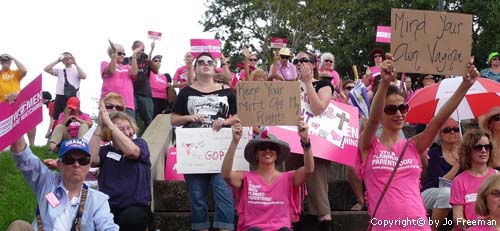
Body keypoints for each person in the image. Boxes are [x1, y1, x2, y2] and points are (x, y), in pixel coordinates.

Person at [357, 54, 479, 230]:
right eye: (390, 109)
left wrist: (465, 85)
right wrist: (384, 84)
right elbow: (374, 119)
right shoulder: (368, 145)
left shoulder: (413, 145)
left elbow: (439, 119)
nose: (398, 114)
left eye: (402, 108)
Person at [171, 52, 237, 231]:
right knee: (196, 194)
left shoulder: (227, 92)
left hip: (220, 147)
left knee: (223, 193)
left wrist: (225, 121)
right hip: (194, 149)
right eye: (201, 62)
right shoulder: (186, 92)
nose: (205, 65)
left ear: (215, 66)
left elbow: (240, 116)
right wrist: (188, 117)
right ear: (195, 68)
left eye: (209, 62)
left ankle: (225, 228)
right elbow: (173, 119)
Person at [221, 117, 313, 231]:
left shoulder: (288, 178)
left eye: (272, 147)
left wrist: (305, 141)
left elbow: (309, 170)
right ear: (256, 154)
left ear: (277, 154)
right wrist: (235, 141)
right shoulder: (245, 177)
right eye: (262, 147)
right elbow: (226, 174)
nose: (267, 150)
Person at [7, 137, 118, 230]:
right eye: (69, 160)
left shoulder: (98, 200)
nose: (76, 164)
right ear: (60, 164)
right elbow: (22, 155)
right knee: (19, 226)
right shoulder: (46, 181)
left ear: (89, 165)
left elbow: (108, 227)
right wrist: (15, 117)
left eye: (83, 160)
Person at [289, 51, 334, 230]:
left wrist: (308, 83)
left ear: (314, 65)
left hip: (317, 143)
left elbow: (318, 108)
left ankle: (325, 221)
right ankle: (293, 216)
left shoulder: (324, 84)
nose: (300, 63)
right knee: (293, 180)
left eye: (304, 60)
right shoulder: (289, 87)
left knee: (318, 185)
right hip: (292, 141)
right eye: (296, 61)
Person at [89, 108, 152, 231]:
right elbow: (90, 160)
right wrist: (101, 126)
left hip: (136, 208)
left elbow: (132, 152)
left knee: (129, 220)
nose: (127, 132)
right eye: (121, 129)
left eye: (128, 127)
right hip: (109, 207)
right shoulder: (105, 151)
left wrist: (112, 126)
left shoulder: (140, 144)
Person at [450, 129, 496, 231]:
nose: (484, 150)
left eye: (487, 147)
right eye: (478, 147)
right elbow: (457, 218)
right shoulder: (459, 181)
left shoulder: (497, 177)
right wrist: (477, 226)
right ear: (468, 150)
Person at [421, 118, 461, 231]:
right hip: (430, 192)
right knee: (447, 193)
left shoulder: (465, 152)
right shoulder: (433, 153)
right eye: (447, 130)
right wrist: (458, 165)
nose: (452, 132)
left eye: (455, 129)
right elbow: (442, 183)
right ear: (439, 134)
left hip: (457, 195)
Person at [0, 53, 34, 146]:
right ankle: (7, 146)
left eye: (7, 60)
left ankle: (32, 145)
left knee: (30, 119)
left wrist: (13, 58)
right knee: (7, 128)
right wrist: (5, 97)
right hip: (3, 104)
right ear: (1, 62)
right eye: (3, 60)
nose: (5, 62)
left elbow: (24, 70)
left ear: (10, 62)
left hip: (18, 101)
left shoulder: (14, 73)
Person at [43, 52, 87, 123]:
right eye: (65, 58)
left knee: (72, 117)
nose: (67, 59)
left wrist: (75, 63)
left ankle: (71, 131)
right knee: (58, 118)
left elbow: (84, 76)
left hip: (73, 97)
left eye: (69, 57)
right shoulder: (60, 71)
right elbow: (46, 69)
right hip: (60, 95)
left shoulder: (76, 70)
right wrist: (58, 60)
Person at [100, 41, 138, 119]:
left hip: (127, 103)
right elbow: (111, 71)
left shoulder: (127, 67)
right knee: (106, 128)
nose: (122, 55)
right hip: (109, 104)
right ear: (111, 54)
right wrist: (114, 55)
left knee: (129, 128)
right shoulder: (105, 63)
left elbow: (134, 74)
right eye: (120, 53)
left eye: (124, 54)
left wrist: (134, 56)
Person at [123, 40, 154, 131]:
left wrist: (152, 51)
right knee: (132, 120)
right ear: (133, 49)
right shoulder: (126, 60)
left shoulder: (146, 59)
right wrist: (134, 57)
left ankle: (150, 141)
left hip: (145, 94)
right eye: (139, 49)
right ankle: (135, 141)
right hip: (131, 94)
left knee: (148, 120)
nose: (141, 51)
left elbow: (156, 70)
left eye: (143, 49)